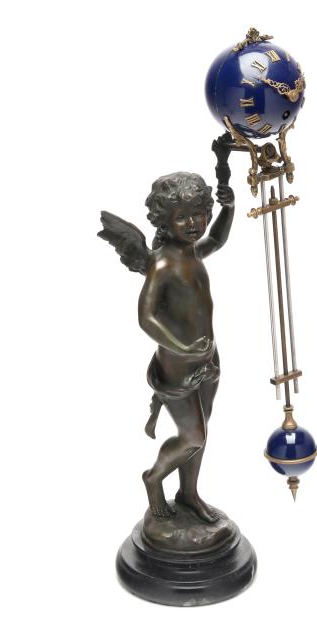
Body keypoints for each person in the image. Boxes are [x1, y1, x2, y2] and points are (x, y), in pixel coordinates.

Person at [98, 135, 234, 523]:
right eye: (183, 217)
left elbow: (217, 238)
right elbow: (147, 317)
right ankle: (154, 478)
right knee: (193, 436)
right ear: (164, 220)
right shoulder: (162, 264)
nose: (194, 224)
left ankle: (189, 494)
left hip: (208, 359)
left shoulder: (193, 251)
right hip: (179, 367)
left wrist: (229, 205)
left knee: (201, 433)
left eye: (199, 214)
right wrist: (183, 348)